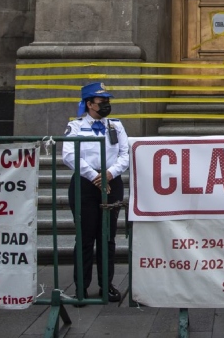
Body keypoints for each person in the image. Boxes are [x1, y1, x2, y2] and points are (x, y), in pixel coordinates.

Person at [62, 82, 129, 302]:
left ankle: (106, 285)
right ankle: (81, 287)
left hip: (111, 182)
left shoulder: (116, 125)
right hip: (85, 183)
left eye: (107, 101)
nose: (106, 105)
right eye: (102, 102)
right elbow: (69, 155)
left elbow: (125, 154)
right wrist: (94, 176)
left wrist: (109, 174)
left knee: (107, 236)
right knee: (85, 237)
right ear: (89, 104)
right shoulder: (75, 126)